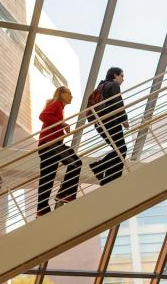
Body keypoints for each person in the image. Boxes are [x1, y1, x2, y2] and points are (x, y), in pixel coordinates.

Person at [37, 86, 83, 217]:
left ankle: (42, 209)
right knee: (75, 163)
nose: (71, 96)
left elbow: (50, 123)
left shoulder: (59, 107)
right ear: (61, 94)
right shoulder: (57, 104)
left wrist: (62, 129)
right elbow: (43, 115)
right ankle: (65, 193)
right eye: (69, 93)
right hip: (50, 145)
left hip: (48, 145)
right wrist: (63, 124)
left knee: (47, 177)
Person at [89, 67, 129, 185]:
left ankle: (107, 179)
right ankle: (99, 168)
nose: (123, 79)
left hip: (100, 124)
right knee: (121, 149)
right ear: (115, 75)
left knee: (118, 149)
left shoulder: (100, 87)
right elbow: (118, 102)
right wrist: (124, 119)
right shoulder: (114, 85)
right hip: (110, 121)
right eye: (122, 75)